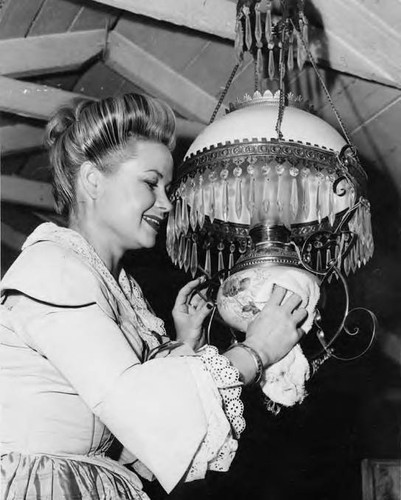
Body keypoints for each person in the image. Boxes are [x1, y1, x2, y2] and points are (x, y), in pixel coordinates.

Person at [0, 93, 307, 500]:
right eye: (150, 183)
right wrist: (257, 351)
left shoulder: (113, 284)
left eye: (166, 187)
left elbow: (139, 433)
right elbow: (135, 402)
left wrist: (183, 344)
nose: (165, 203)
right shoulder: (54, 267)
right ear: (92, 180)